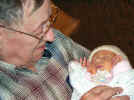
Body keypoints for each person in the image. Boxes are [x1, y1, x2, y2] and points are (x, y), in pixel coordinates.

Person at [0, 0, 130, 100]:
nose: (51, 37)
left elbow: (112, 71)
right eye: (39, 30)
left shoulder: (57, 42)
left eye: (49, 20)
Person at [69, 45, 134, 100]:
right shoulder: (85, 80)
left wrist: (128, 97)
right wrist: (80, 70)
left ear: (117, 60)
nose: (98, 60)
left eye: (105, 57)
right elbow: (77, 83)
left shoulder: (126, 77)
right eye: (93, 60)